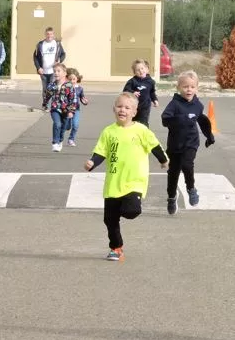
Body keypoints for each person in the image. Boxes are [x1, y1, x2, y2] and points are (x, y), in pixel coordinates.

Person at [84, 93, 168, 262]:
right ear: (114, 109)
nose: (122, 110)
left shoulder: (141, 130)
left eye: (127, 107)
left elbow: (154, 146)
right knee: (109, 220)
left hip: (134, 181)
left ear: (134, 112)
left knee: (131, 211)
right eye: (119, 106)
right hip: (113, 183)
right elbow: (101, 152)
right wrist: (92, 162)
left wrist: (163, 160)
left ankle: (129, 207)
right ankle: (116, 248)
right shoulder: (108, 131)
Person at [160, 71, 214, 215]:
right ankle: (172, 197)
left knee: (187, 164)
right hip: (174, 145)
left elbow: (201, 120)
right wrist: (178, 120)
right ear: (178, 87)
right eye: (185, 87)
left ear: (197, 88)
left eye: (192, 87)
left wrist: (209, 136)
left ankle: (191, 188)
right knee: (173, 174)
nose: (189, 89)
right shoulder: (174, 104)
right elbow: (165, 119)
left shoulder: (198, 105)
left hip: (191, 142)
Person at [42, 63, 76, 152]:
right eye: (54, 71)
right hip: (55, 108)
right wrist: (45, 104)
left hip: (66, 110)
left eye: (58, 71)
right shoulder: (52, 85)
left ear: (64, 73)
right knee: (57, 124)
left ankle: (60, 140)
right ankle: (55, 143)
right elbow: (47, 96)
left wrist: (71, 111)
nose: (56, 73)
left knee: (64, 127)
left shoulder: (69, 85)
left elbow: (73, 99)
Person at [122, 58, 159, 127]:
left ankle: (144, 134)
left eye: (142, 68)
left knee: (143, 122)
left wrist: (155, 100)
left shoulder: (150, 82)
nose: (141, 71)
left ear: (147, 69)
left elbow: (152, 92)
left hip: (145, 107)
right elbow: (125, 90)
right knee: (132, 122)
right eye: (138, 70)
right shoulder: (132, 81)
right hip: (133, 106)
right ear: (134, 72)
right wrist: (132, 92)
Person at [33, 27, 66, 98]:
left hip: (53, 72)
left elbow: (63, 54)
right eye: (47, 34)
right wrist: (38, 68)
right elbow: (35, 57)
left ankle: (53, 105)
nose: (49, 36)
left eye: (51, 34)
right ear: (45, 34)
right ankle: (45, 105)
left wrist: (59, 61)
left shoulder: (57, 44)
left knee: (53, 88)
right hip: (43, 71)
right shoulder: (40, 44)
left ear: (53, 35)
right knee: (45, 89)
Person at [62, 67, 88, 147]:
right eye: (70, 79)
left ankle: (71, 139)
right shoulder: (65, 87)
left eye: (74, 79)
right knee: (67, 126)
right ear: (67, 79)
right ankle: (64, 130)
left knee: (76, 125)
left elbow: (82, 98)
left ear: (77, 79)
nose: (72, 81)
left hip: (76, 110)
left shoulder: (80, 88)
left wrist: (85, 102)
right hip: (67, 110)